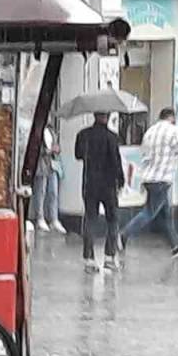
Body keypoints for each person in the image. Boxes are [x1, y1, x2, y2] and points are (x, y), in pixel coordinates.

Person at [121, 107, 178, 256]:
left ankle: (175, 244)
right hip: (162, 179)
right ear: (171, 118)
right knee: (149, 212)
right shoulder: (174, 131)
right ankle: (123, 236)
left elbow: (143, 155)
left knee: (165, 213)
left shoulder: (150, 132)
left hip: (148, 178)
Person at [75, 111, 125, 271]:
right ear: (108, 117)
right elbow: (116, 160)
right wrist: (121, 179)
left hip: (89, 184)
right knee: (112, 220)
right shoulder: (112, 137)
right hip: (108, 185)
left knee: (90, 219)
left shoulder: (83, 135)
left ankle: (88, 260)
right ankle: (109, 258)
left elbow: (78, 155)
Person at [30, 123, 68, 233]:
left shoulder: (51, 130)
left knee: (53, 192)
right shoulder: (36, 129)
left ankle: (54, 219)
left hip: (52, 164)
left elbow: (55, 145)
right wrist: (46, 151)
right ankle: (40, 218)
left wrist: (56, 149)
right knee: (40, 191)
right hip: (41, 163)